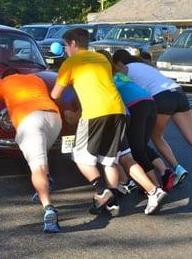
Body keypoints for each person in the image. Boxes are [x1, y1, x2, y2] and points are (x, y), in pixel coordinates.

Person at [50, 29, 166, 217]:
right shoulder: (102, 59)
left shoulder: (70, 62)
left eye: (65, 45)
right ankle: (149, 193)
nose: (65, 49)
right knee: (114, 159)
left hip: (96, 114)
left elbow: (55, 94)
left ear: (72, 43)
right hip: (119, 111)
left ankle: (102, 189)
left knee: (80, 156)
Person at [111, 49, 192, 196]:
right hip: (178, 93)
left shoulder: (125, 69)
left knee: (156, 138)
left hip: (161, 98)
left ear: (119, 63)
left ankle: (175, 168)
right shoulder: (145, 65)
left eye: (115, 66)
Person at [0, 68, 62, 233]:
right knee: (41, 158)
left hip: (30, 121)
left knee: (37, 166)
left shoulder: (3, 82)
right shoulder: (35, 79)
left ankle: (48, 207)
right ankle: (45, 184)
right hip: (54, 118)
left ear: (5, 76)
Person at [97, 50, 175, 191]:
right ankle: (165, 171)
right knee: (142, 145)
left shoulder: (104, 77)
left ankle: (154, 186)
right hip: (150, 102)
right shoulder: (120, 74)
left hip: (136, 107)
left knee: (136, 149)